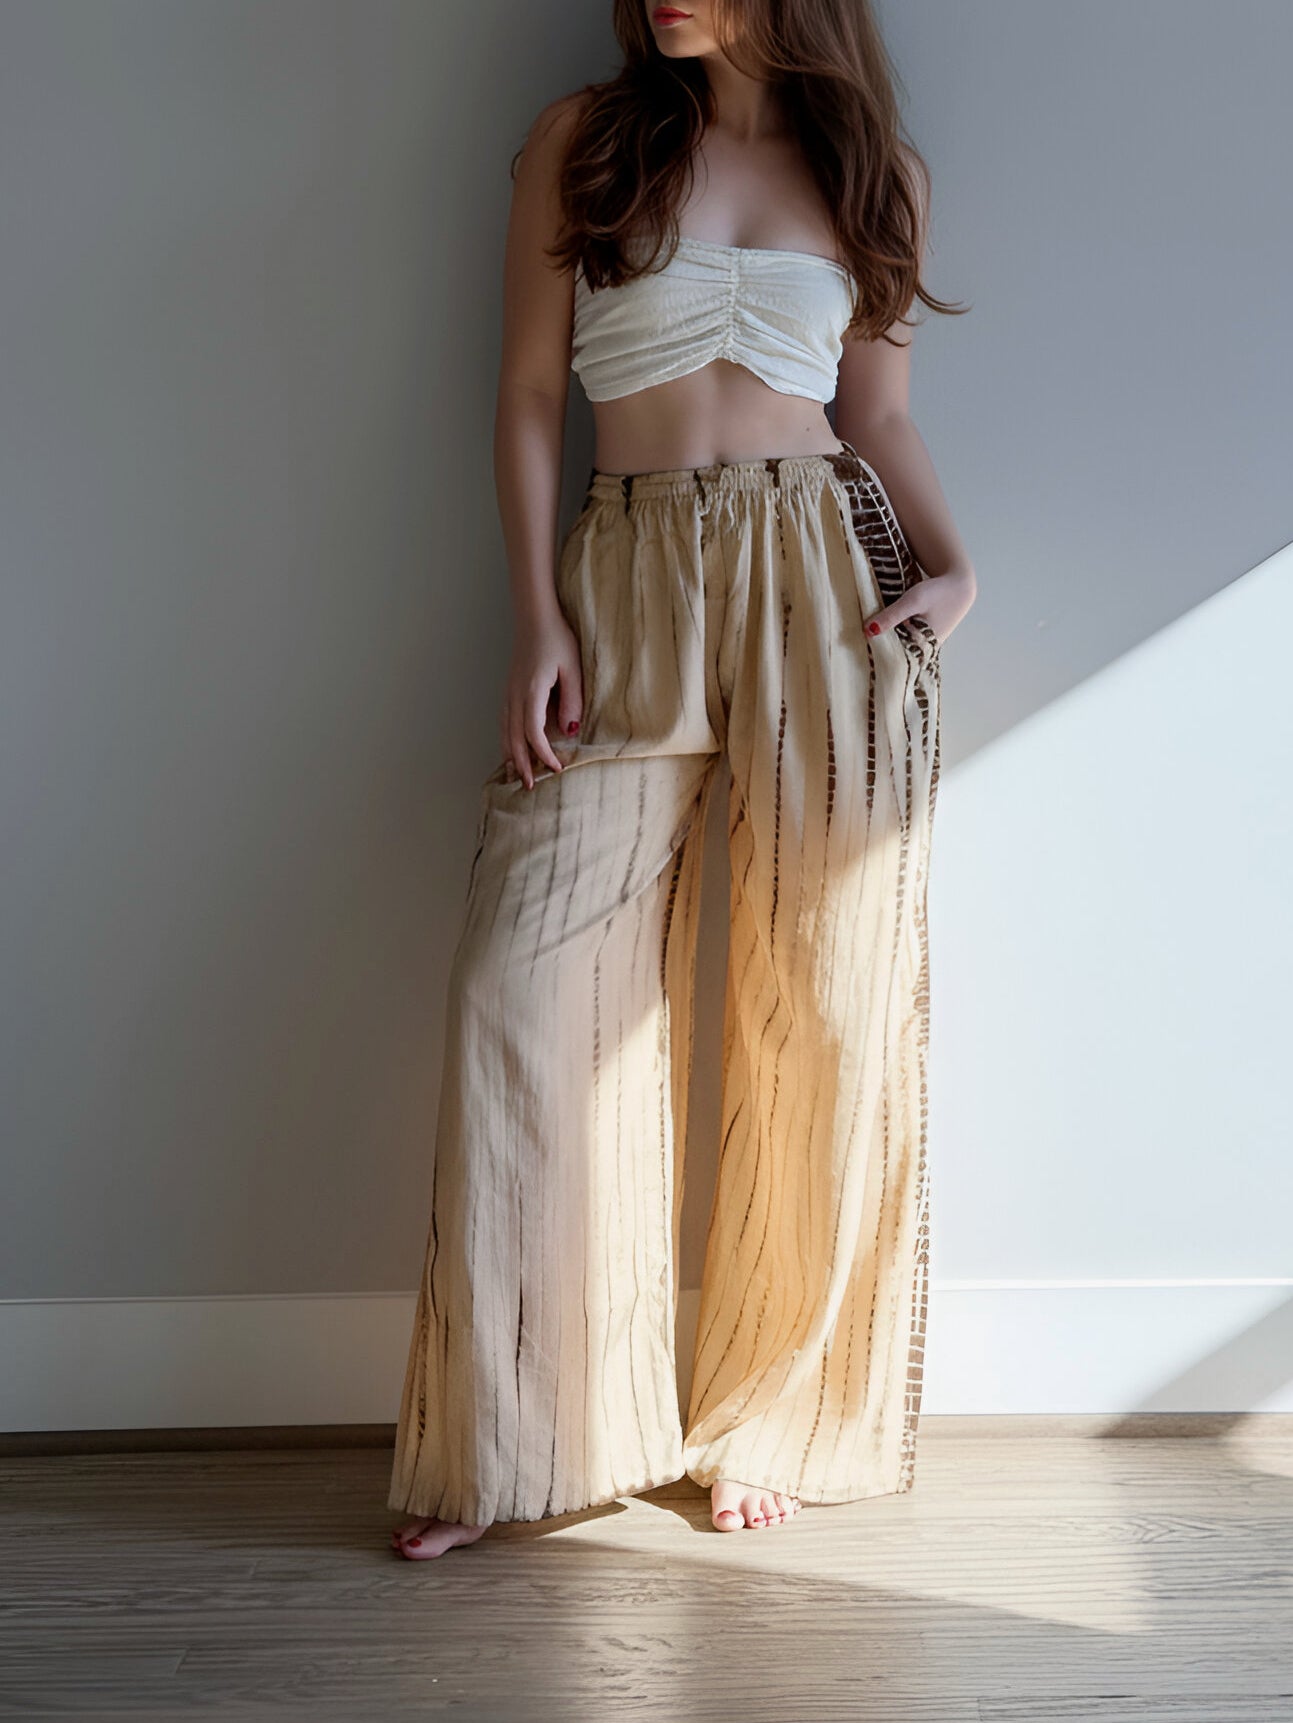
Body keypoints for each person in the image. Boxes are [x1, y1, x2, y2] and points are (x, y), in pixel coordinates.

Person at [388, 0, 976, 1560]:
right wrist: (535, 620)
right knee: (520, 994)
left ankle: (772, 1417)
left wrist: (958, 565)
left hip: (824, 586)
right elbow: (528, 394)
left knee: (827, 1002)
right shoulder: (584, 142)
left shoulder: (874, 171)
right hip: (629, 573)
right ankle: (517, 1445)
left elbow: (880, 415)